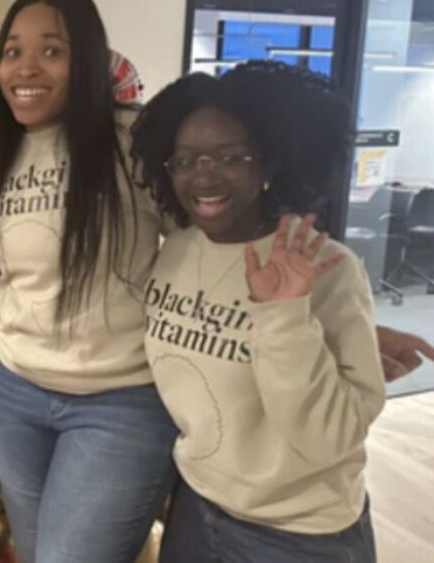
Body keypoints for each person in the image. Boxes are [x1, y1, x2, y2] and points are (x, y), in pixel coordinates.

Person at [130, 61, 385, 562]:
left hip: (297, 536)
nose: (203, 174)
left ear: (268, 163)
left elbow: (331, 439)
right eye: (184, 160)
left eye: (229, 157)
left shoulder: (328, 268)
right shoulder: (176, 252)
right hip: (196, 512)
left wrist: (285, 313)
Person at [0, 0, 177, 563]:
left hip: (119, 403)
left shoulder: (132, 140)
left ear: (84, 58)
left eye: (51, 50)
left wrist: (314, 306)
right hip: (16, 391)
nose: (25, 68)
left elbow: (209, 241)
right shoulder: (1, 149)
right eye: (12, 51)